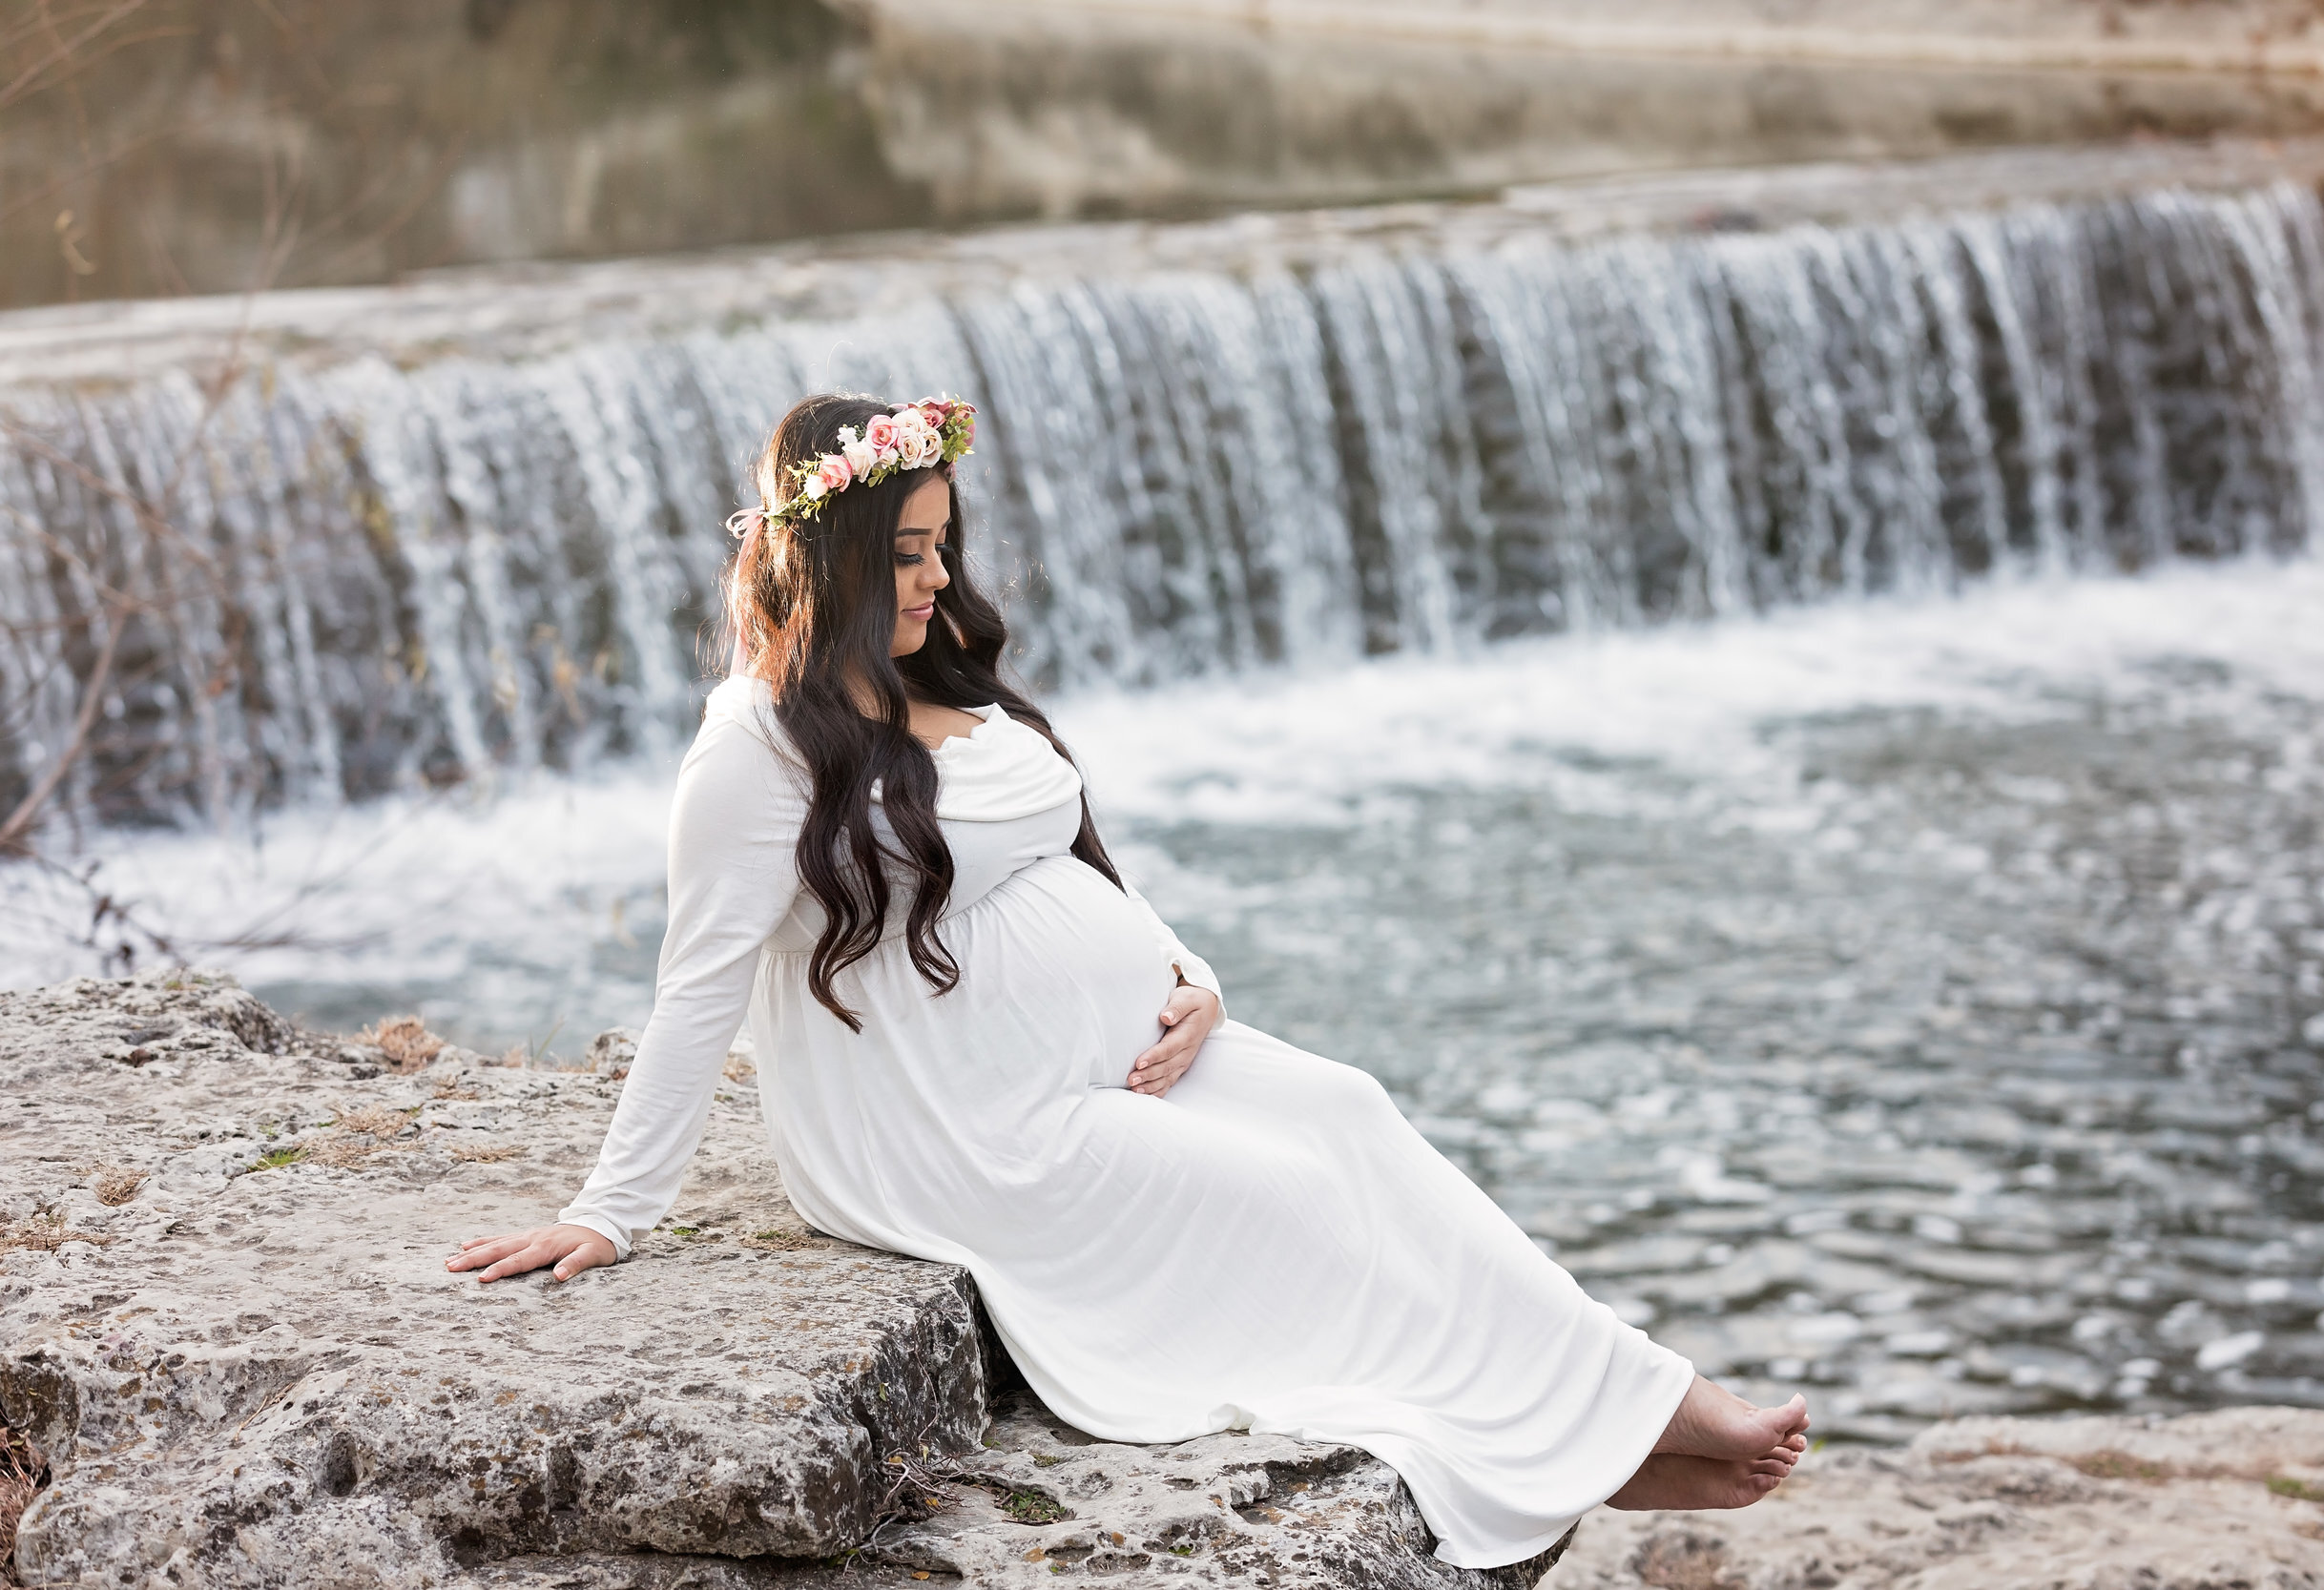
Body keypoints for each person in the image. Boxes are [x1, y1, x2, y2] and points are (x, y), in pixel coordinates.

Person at [447, 393, 1808, 1568]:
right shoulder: (755, 748)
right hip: (965, 1130)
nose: (931, 581)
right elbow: (699, 985)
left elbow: (1077, 859)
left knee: (1351, 1113)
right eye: (905, 555)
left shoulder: (937, 680)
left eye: (939, 547)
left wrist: (1190, 974)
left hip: (1109, 1056)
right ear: (832, 559)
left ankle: (1626, 1400)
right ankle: (1591, 1437)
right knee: (1289, 1193)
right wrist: (611, 1212)